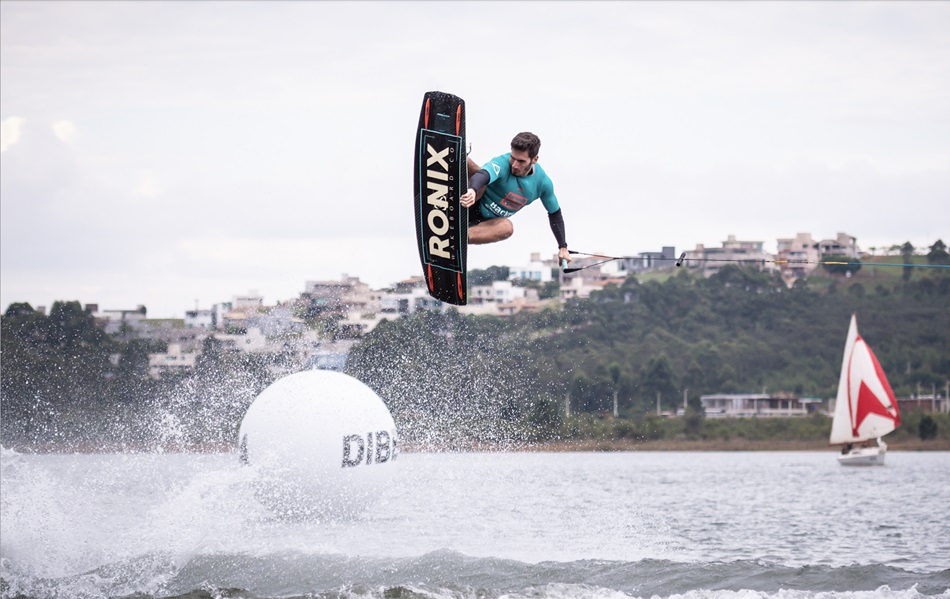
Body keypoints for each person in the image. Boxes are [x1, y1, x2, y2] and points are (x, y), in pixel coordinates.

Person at [460, 132, 571, 265]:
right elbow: (483, 175)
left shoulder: (542, 183)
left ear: (535, 159)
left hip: (484, 224)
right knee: (473, 166)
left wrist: (563, 247)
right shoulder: (503, 162)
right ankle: (443, 150)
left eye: (521, 161)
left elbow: (555, 213)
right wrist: (472, 190)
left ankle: (457, 238)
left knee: (507, 228)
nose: (514, 165)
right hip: (470, 200)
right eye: (513, 158)